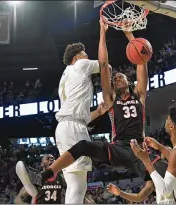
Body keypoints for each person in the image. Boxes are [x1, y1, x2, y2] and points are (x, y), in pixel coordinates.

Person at [42, 19, 173, 204]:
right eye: (115, 79)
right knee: (83, 146)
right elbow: (104, 67)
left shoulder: (140, 96)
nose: (117, 79)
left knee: (165, 171)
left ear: (130, 81)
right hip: (117, 147)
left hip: (138, 149)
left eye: (121, 77)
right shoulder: (111, 101)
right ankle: (49, 172)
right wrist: (103, 34)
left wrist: (129, 35)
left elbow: (141, 62)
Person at [52, 17, 110, 203]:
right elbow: (104, 65)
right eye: (85, 55)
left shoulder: (64, 77)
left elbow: (77, 114)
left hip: (64, 128)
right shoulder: (81, 65)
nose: (87, 57)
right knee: (79, 186)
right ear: (76, 58)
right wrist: (102, 32)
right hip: (74, 130)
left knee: (73, 184)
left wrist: (97, 113)